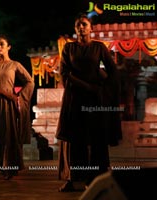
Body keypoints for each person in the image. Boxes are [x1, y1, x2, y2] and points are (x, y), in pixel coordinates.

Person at [56, 13, 122, 191]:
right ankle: (72, 178)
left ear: (91, 28)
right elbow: (64, 74)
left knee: (96, 139)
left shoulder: (99, 48)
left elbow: (113, 72)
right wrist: (86, 85)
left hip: (94, 100)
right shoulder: (69, 48)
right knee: (75, 139)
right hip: (74, 99)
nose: (81, 27)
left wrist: (103, 89)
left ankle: (94, 179)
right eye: (78, 25)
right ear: (75, 28)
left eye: (84, 24)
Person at [0, 34, 35, 180]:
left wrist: (19, 96)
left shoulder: (15, 65)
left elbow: (30, 82)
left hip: (8, 106)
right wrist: (7, 94)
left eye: (2, 44)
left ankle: (8, 168)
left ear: (9, 47)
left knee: (8, 135)